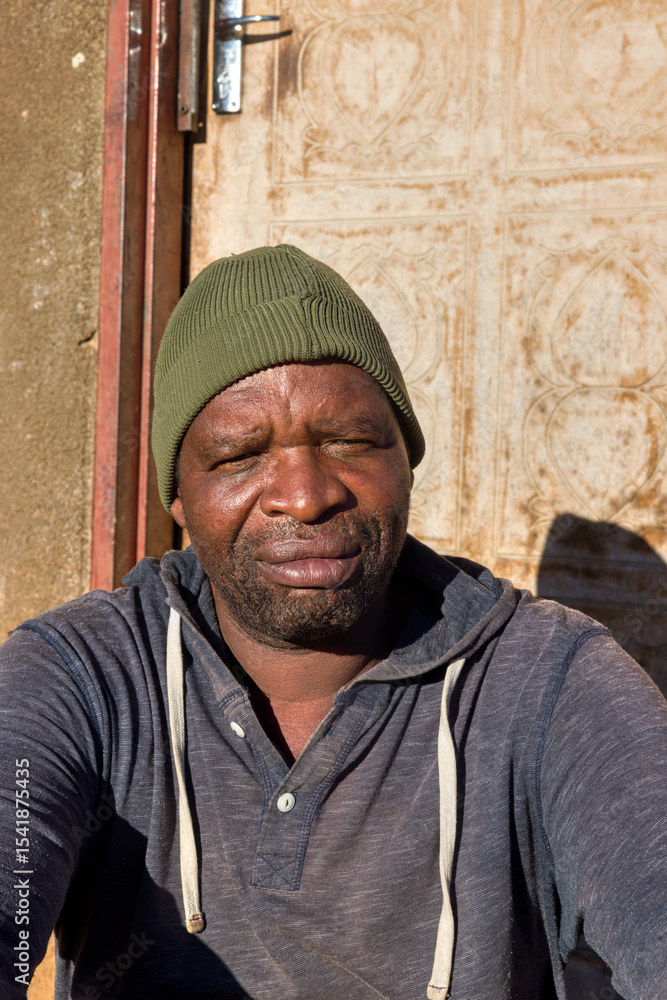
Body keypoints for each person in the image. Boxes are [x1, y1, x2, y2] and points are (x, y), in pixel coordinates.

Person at [0, 245, 665, 1000]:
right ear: (179, 498)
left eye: (349, 441)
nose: (306, 494)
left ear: (405, 462)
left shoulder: (547, 683)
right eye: (239, 456)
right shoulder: (81, 677)